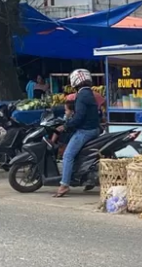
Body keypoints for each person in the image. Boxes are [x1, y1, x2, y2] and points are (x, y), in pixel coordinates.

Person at [54, 69, 100, 198]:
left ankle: (64, 185)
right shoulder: (88, 93)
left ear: (75, 81)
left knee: (67, 155)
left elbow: (79, 117)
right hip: (93, 128)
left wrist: (66, 126)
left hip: (85, 131)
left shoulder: (82, 95)